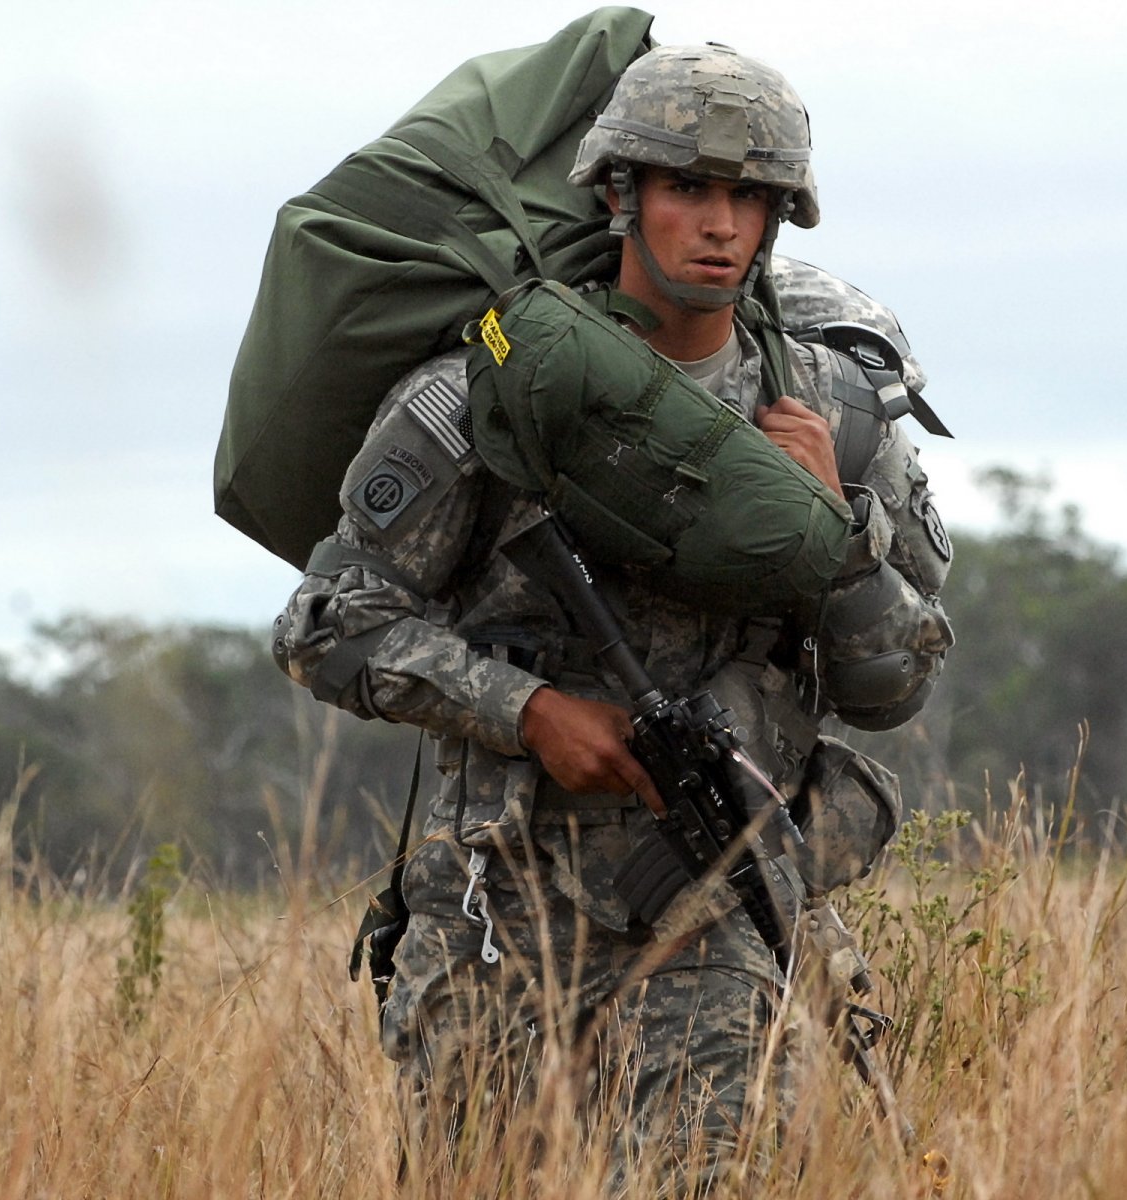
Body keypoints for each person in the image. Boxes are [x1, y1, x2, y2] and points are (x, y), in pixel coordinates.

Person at [273, 43, 954, 1189]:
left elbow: (895, 689)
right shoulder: (489, 394)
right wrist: (528, 711)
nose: (721, 224)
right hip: (501, 911)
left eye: (751, 196)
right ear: (618, 195)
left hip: (719, 904)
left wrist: (843, 537)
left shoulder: (832, 415)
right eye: (689, 187)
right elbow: (328, 623)